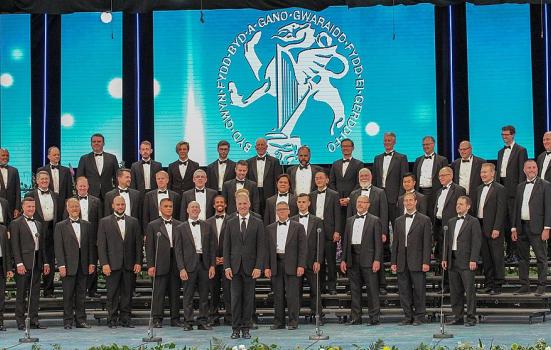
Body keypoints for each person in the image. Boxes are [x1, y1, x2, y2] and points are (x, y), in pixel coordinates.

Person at [223, 192, 265, 339]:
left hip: (251, 268)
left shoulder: (258, 222)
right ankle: (235, 329)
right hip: (234, 268)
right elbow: (226, 247)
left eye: (244, 203)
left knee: (248, 300)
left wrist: (258, 266)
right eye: (239, 204)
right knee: (235, 300)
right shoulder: (230, 222)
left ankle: (246, 328)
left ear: (249, 204)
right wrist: (227, 266)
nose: (242, 206)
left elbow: (261, 247)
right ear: (236, 205)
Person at [97, 196, 143, 328]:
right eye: (118, 204)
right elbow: (101, 245)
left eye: (122, 204)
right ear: (113, 206)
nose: (120, 206)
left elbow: (138, 244)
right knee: (112, 293)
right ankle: (111, 319)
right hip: (111, 264)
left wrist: (138, 262)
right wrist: (104, 263)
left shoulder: (133, 221)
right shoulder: (104, 222)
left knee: (127, 293)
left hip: (129, 264)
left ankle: (126, 319)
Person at [340, 195, 382, 326]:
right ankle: (356, 318)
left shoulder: (375, 220)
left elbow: (378, 243)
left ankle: (374, 318)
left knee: (372, 290)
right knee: (354, 290)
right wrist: (343, 259)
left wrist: (377, 260)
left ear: (368, 205)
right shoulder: (349, 220)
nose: (360, 204)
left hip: (369, 259)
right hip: (352, 258)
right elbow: (345, 242)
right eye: (358, 202)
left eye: (363, 202)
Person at [264, 201, 307, 330]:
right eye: (279, 210)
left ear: (289, 211)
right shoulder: (269, 228)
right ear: (276, 212)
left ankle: (293, 321)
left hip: (293, 264)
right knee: (277, 295)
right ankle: (279, 322)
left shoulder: (298, 227)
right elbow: (266, 249)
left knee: (292, 295)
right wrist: (267, 267)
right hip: (276, 263)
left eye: (284, 209)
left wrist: (301, 265)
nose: (281, 211)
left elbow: (303, 248)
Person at [391, 192, 432, 326]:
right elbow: (395, 243)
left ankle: (420, 317)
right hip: (402, 261)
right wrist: (393, 262)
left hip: (418, 260)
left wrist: (426, 261)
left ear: (415, 202)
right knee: (404, 290)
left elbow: (427, 243)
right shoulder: (398, 221)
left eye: (410, 200)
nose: (408, 203)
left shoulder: (425, 219)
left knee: (419, 290)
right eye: (405, 201)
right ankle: (407, 316)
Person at [54, 198, 95, 329]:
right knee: (68, 295)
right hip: (67, 266)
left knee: (81, 295)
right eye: (72, 206)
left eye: (77, 206)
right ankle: (67, 321)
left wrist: (91, 263)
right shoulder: (60, 226)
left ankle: (81, 320)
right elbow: (58, 247)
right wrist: (61, 265)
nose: (75, 209)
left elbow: (90, 246)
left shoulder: (87, 225)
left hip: (83, 265)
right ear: (67, 209)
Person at [347, 167, 389, 295]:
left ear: (371, 177)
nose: (364, 178)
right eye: (361, 176)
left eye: (366, 175)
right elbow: (350, 214)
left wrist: (384, 232)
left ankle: (381, 284)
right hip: (358, 231)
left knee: (377, 256)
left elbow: (384, 213)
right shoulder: (353, 194)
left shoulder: (380, 192)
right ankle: (354, 286)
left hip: (374, 230)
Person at [511, 160, 550, 296]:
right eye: (529, 167)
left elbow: (548, 208)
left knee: (541, 258)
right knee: (522, 258)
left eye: (534, 167)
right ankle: (524, 285)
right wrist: (514, 228)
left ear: (537, 169)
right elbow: (516, 208)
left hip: (538, 228)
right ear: (524, 170)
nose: (531, 169)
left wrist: (547, 228)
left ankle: (541, 286)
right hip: (521, 227)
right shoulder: (520, 186)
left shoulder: (545, 185)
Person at [174, 201, 216, 330]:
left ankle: (202, 321)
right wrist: (181, 268)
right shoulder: (180, 228)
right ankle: (188, 322)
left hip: (204, 264)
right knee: (188, 295)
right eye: (192, 207)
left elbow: (212, 247)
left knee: (204, 295)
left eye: (197, 207)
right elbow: (178, 250)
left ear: (200, 210)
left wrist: (212, 265)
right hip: (188, 266)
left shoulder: (207, 226)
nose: (195, 209)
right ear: (187, 209)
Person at [10, 197, 50, 330]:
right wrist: (19, 263)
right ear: (23, 207)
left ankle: (33, 320)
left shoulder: (39, 223)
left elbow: (42, 245)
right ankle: (20, 321)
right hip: (23, 264)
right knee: (21, 294)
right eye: (29, 206)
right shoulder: (16, 223)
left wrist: (45, 263)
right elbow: (14, 245)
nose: (31, 209)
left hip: (37, 262)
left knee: (34, 294)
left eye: (33, 206)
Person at [442, 196, 482, 327]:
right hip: (452, 260)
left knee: (469, 291)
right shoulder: (451, 221)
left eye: (461, 204)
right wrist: (444, 258)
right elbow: (447, 243)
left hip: (466, 260)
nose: (458, 206)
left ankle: (471, 317)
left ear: (468, 206)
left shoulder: (473, 221)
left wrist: (473, 259)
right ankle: (457, 316)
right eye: (457, 204)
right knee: (455, 291)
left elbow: (476, 242)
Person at [145, 198, 183, 327]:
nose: (169, 208)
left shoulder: (180, 224)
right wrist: (150, 265)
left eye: (171, 206)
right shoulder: (153, 225)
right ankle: (157, 319)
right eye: (166, 206)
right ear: (160, 209)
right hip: (159, 262)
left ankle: (175, 318)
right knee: (159, 292)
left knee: (175, 292)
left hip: (176, 262)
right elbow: (149, 247)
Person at [25, 170, 60, 298]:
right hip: (35, 228)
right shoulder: (30, 194)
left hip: (52, 228)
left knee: (49, 260)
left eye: (46, 179)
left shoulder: (55, 195)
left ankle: (48, 290)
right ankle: (31, 291)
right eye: (42, 179)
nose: (45, 181)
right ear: (37, 180)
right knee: (35, 258)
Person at [496, 125, 528, 262]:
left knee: (514, 224)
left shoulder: (521, 150)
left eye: (507, 134)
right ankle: (508, 252)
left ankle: (515, 253)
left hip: (514, 193)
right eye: (502, 135)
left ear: (513, 135)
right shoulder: (500, 152)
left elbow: (522, 173)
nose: (504, 137)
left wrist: (520, 192)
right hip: (501, 191)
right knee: (504, 223)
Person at [473, 163, 506, 295]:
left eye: (486, 172)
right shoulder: (479, 188)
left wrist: (497, 228)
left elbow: (501, 210)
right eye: (482, 172)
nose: (483, 174)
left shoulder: (500, 188)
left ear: (493, 173)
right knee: (486, 257)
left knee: (496, 257)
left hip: (493, 227)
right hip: (480, 226)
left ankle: (498, 285)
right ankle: (489, 283)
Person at [291, 193, 324, 321]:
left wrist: (318, 260)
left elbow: (320, 243)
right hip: (296, 262)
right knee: (295, 291)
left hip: (312, 261)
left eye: (304, 202)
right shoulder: (292, 220)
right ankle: (295, 319)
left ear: (309, 203)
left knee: (316, 291)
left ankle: (318, 317)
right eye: (299, 202)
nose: (301, 204)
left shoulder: (317, 221)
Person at [309, 171, 342, 295]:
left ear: (327, 180)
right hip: (315, 231)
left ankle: (332, 286)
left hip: (329, 231)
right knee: (318, 259)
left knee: (331, 260)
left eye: (321, 178)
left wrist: (337, 231)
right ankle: (321, 286)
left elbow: (337, 214)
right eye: (316, 178)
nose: (318, 180)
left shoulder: (334, 194)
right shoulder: (311, 195)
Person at [372, 132, 409, 230]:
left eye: (389, 140)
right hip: (379, 196)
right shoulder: (377, 158)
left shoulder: (401, 158)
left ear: (394, 142)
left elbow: (403, 180)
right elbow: (375, 179)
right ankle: (384, 245)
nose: (387, 142)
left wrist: (400, 198)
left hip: (394, 197)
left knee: (396, 224)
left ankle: (397, 245)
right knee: (381, 225)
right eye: (385, 140)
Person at [73, 176, 103, 298]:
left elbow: (101, 221)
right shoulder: (70, 201)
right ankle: (78, 290)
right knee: (77, 263)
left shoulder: (96, 201)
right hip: (75, 236)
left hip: (92, 236)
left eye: (84, 186)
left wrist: (99, 238)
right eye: (80, 186)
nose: (82, 188)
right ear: (76, 187)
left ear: (88, 187)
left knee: (92, 263)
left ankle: (92, 290)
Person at [206, 195, 232, 326]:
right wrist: (213, 259)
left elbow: (234, 242)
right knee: (213, 290)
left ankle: (229, 317)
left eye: (222, 202)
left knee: (228, 291)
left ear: (226, 205)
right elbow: (207, 243)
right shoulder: (207, 222)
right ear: (213, 205)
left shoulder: (232, 220)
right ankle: (213, 317)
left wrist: (225, 259)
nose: (220, 204)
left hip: (228, 263)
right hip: (212, 262)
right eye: (217, 202)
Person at [329, 138, 363, 233]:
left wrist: (349, 198)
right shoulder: (335, 164)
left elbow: (359, 183)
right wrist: (337, 198)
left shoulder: (359, 164)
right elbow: (331, 182)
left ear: (353, 148)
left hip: (352, 202)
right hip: (337, 202)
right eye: (343, 146)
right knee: (338, 229)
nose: (345, 148)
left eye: (348, 146)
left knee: (352, 229)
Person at [433, 167, 466, 262]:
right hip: (439, 224)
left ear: (451, 176)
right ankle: (441, 272)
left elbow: (461, 209)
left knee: (450, 253)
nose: (441, 178)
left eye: (443, 175)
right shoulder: (439, 191)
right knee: (441, 251)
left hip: (452, 225)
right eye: (439, 176)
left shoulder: (459, 190)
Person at [413, 136, 448, 219]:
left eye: (428, 144)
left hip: (434, 192)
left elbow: (446, 179)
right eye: (424, 145)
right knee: (420, 217)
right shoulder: (418, 160)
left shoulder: (442, 160)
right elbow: (414, 176)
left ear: (433, 144)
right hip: (419, 192)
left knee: (433, 216)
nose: (425, 146)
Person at [76, 133, 119, 200]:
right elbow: (79, 178)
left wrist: (116, 193)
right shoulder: (84, 158)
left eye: (99, 141)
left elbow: (117, 178)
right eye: (94, 142)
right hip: (90, 194)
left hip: (108, 194)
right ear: (91, 144)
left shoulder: (112, 158)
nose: (96, 143)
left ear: (103, 143)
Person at [246, 138, 283, 215]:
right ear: (255, 147)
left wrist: (277, 196)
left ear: (266, 147)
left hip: (269, 194)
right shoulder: (249, 162)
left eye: (262, 144)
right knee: (254, 214)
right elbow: (247, 180)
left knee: (269, 214)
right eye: (258, 145)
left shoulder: (275, 161)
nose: (260, 147)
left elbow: (278, 180)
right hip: (254, 193)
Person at [37, 146, 74, 210]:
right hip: (46, 203)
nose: (57, 156)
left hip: (62, 205)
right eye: (54, 155)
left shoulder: (66, 170)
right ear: (48, 156)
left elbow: (69, 190)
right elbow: (38, 189)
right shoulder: (41, 170)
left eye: (58, 155)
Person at [0, 148, 21, 218]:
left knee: (12, 227)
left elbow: (18, 190)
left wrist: (17, 208)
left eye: (7, 155)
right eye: (3, 155)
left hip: (12, 207)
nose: (5, 157)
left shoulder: (14, 170)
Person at [0, 219, 13, 331]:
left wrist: (9, 268)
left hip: (1, 265)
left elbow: (7, 251)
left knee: (1, 297)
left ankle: (0, 322)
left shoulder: (3, 229)